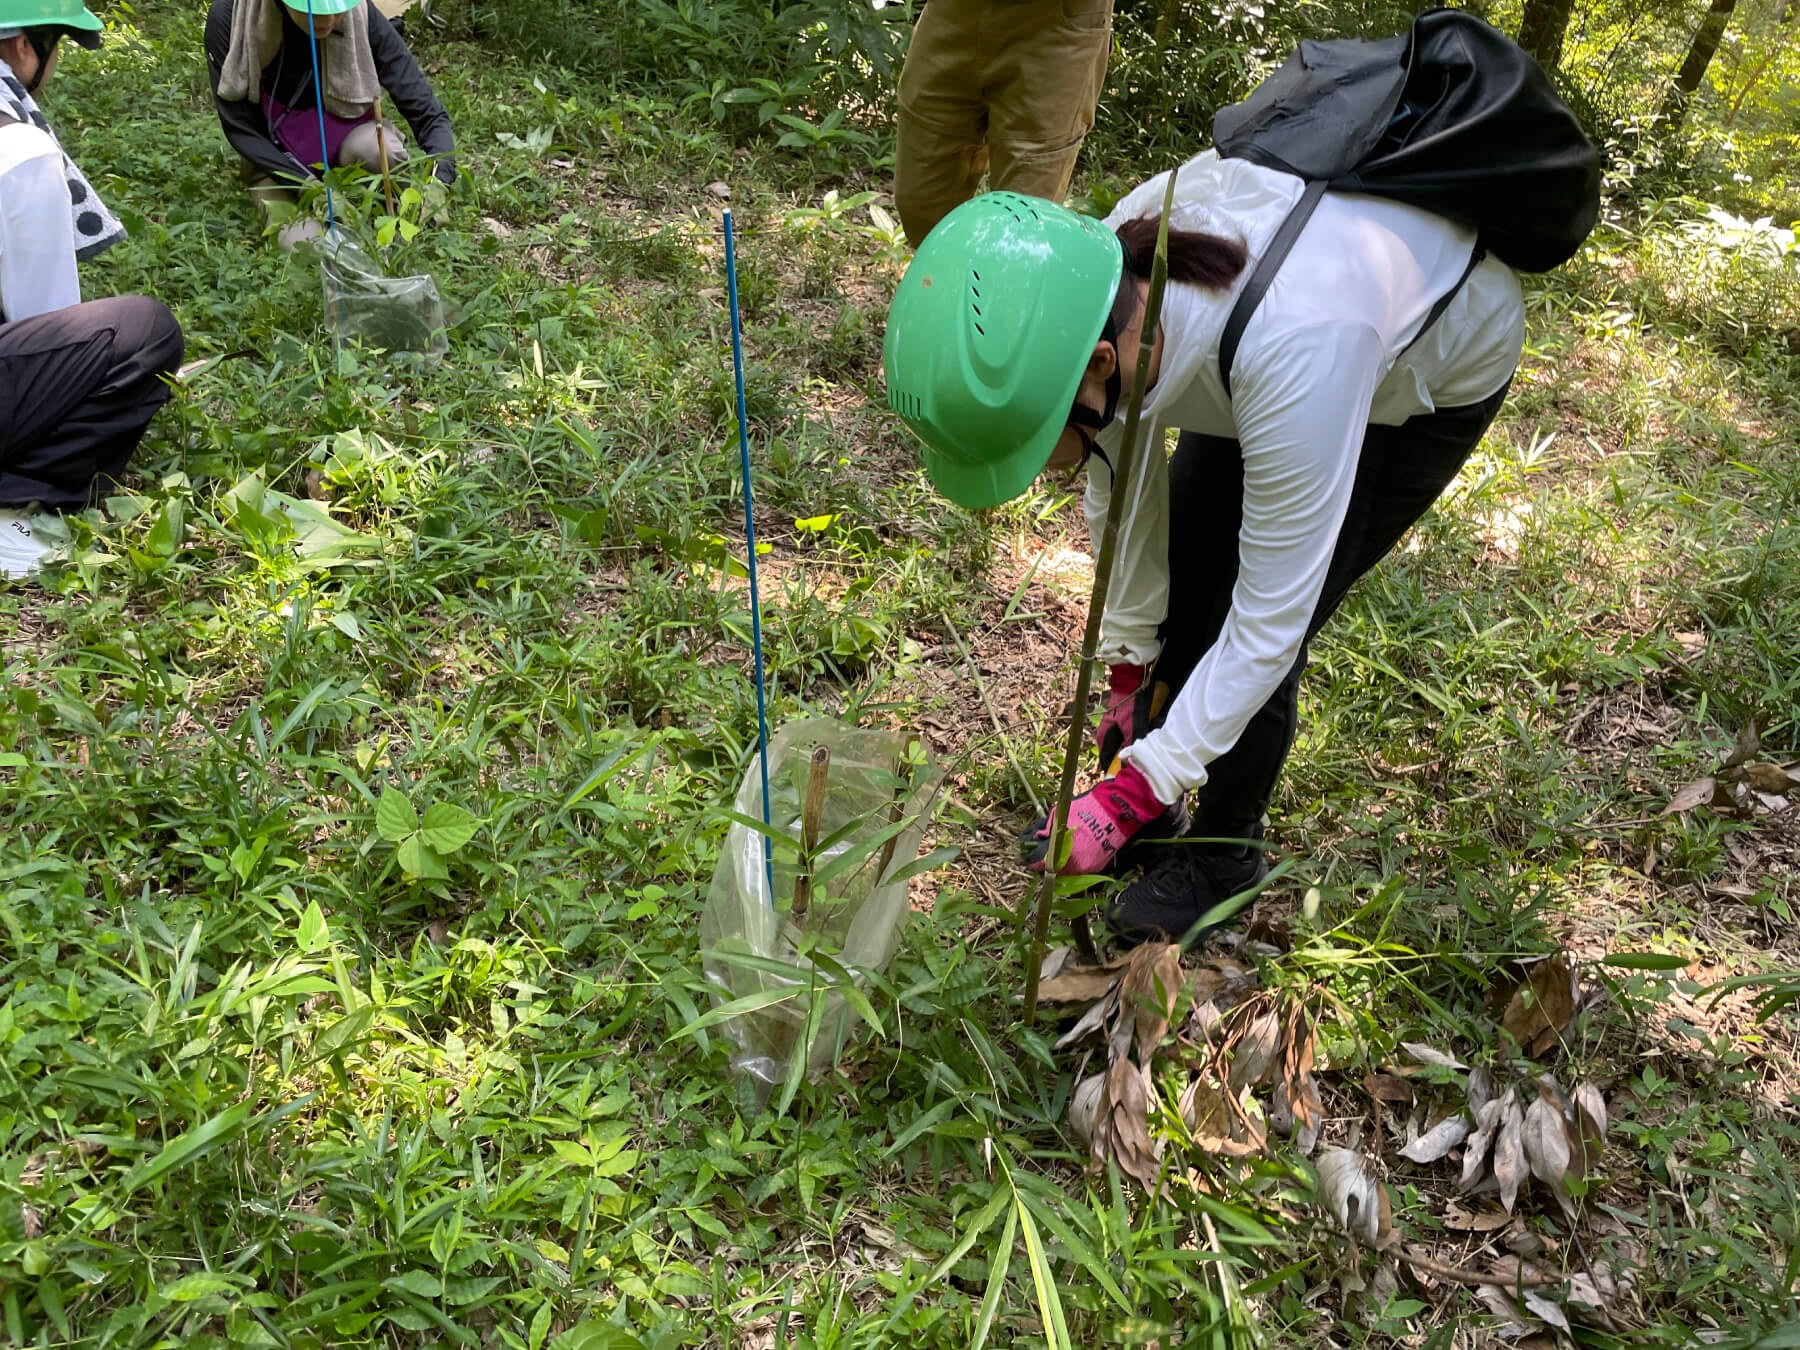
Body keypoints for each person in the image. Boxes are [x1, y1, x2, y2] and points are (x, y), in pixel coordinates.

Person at [883, 149, 1525, 947]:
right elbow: (1122, 475)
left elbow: (1267, 621)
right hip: (1256, 352)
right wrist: (1129, 665)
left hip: (1418, 376)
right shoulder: (1100, 282)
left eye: (1030, 443)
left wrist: (1134, 788)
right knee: (1186, 591)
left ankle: (1226, 851)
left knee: (1230, 617)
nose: (1030, 470)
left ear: (1098, 369)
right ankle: (1155, 798)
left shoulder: (1299, 342)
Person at [0, 0, 184, 579]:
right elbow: (45, 313)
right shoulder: (18, 146)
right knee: (146, 333)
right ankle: (16, 508)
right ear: (24, 47)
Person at [205, 0, 457, 252]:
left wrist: (438, 180)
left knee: (381, 151)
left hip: (348, 144)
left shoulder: (360, 14)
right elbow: (240, 128)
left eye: (338, 9)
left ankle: (382, 211)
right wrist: (309, 189)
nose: (330, 19)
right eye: (314, 10)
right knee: (306, 245)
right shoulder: (231, 16)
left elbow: (428, 113)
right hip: (275, 163)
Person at [894, 0, 1113, 247]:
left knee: (1022, 223)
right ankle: (947, 278)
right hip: (954, 13)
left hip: (1056, 29)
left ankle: (997, 283)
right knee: (922, 202)